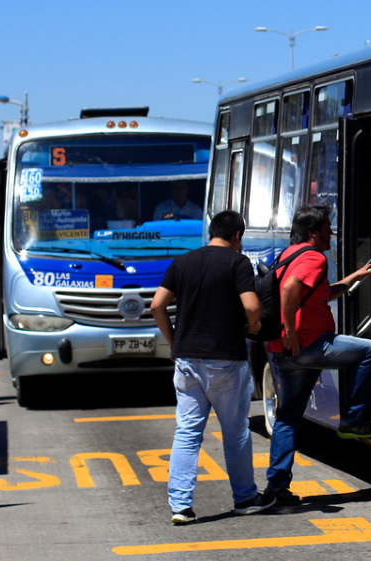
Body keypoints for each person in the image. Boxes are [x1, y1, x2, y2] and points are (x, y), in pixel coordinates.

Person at [149, 210, 274, 524]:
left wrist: (174, 341)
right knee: (235, 433)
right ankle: (245, 497)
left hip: (187, 359)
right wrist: (255, 325)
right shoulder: (237, 262)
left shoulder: (183, 262)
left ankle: (180, 507)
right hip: (226, 361)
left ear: (210, 232)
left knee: (188, 433)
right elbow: (251, 305)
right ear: (237, 237)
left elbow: (157, 305)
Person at [265, 205, 371, 506]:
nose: (332, 233)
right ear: (314, 232)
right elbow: (290, 289)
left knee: (287, 417)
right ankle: (354, 421)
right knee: (370, 351)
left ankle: (276, 487)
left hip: (281, 352)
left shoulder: (288, 255)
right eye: (328, 227)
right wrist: (290, 329)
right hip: (309, 345)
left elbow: (321, 292)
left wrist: (357, 275)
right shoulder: (315, 257)